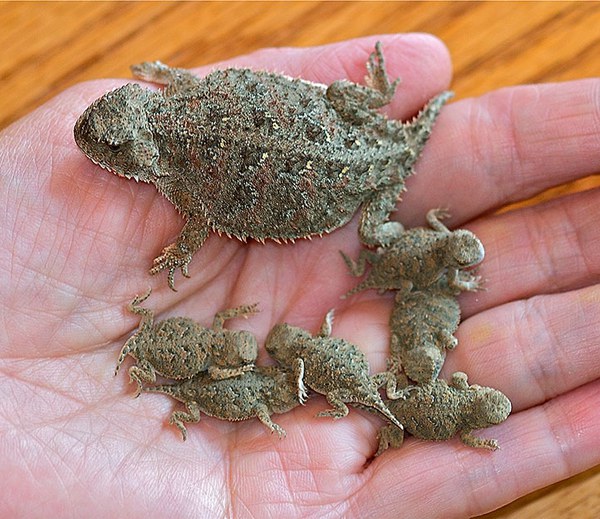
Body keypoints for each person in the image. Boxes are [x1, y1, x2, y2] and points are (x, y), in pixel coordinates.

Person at [0, 34, 598, 517]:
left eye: (117, 151)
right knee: (374, 234)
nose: (101, 151)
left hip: (341, 183)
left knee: (372, 236)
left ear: (146, 145)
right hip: (345, 131)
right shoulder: (201, 90)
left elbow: (200, 219)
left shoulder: (184, 176)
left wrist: (181, 255)